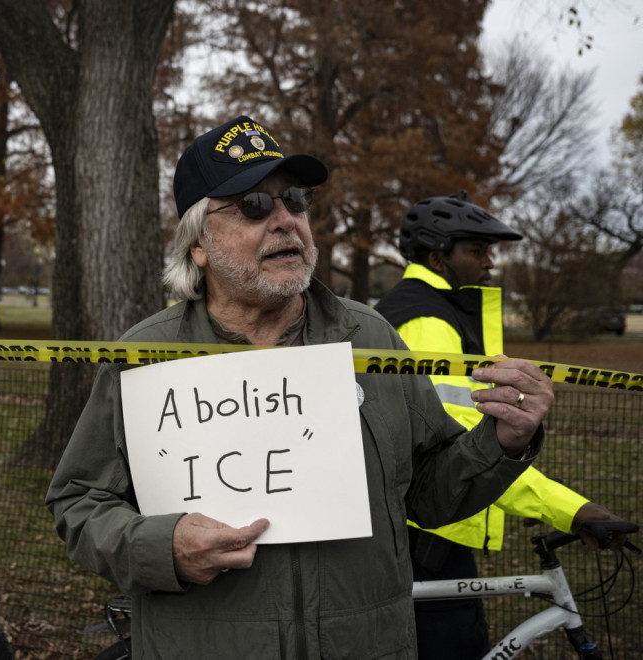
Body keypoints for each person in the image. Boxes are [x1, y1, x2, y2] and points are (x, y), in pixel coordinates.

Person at [44, 116, 556, 659]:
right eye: (253, 206)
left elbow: (429, 492)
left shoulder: (370, 338)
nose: (286, 220)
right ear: (198, 245)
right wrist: (161, 548)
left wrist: (502, 443)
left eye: (294, 200)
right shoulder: (145, 356)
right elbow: (79, 501)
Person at [374, 192, 624, 660]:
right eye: (477, 250)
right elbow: (465, 446)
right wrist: (570, 509)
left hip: (425, 527)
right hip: (427, 533)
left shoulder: (432, 309)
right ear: (437, 258)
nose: (490, 262)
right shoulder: (427, 321)